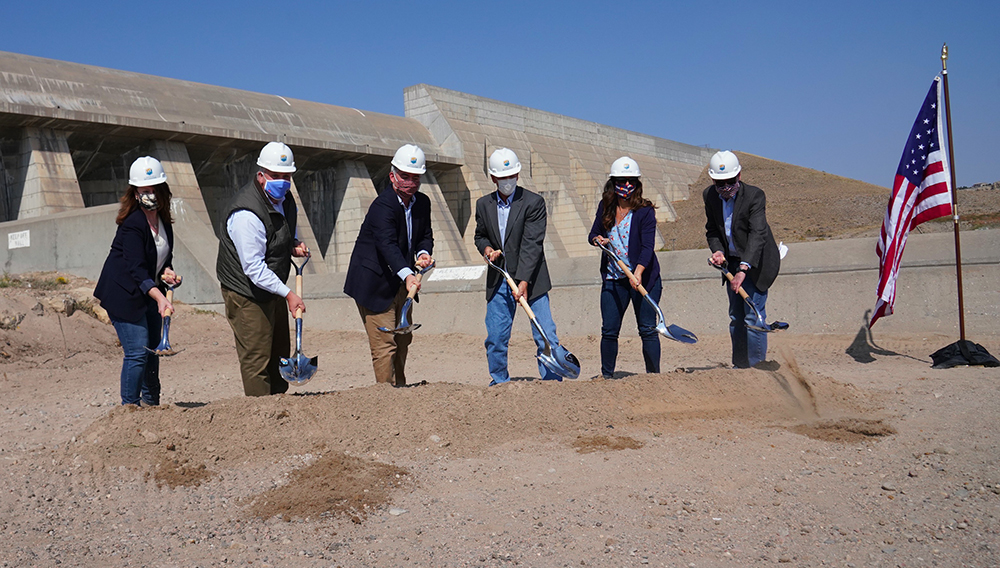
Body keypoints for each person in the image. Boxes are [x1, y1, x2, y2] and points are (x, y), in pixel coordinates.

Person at [216, 142, 309, 396]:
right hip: (246, 291)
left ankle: (279, 403)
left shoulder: (285, 199)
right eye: (275, 176)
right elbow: (254, 269)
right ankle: (260, 415)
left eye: (286, 176)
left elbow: (282, 226)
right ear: (261, 175)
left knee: (279, 352)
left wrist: (293, 242)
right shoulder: (247, 214)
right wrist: (289, 294)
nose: (282, 181)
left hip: (272, 286)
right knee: (256, 358)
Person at [474, 148, 569, 385]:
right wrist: (487, 250)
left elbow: (532, 245)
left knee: (545, 333)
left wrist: (524, 281)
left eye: (512, 175)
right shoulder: (483, 205)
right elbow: (480, 235)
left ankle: (552, 382)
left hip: (532, 280)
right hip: (500, 280)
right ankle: (499, 382)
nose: (508, 181)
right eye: (503, 177)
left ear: (518, 174)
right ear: (494, 178)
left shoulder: (533, 203)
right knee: (496, 336)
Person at [344, 144, 434, 386]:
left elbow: (425, 234)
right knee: (385, 344)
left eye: (415, 178)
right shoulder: (382, 206)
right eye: (405, 176)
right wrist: (407, 275)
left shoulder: (422, 203)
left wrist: (424, 253)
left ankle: (400, 389)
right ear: (392, 175)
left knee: (403, 339)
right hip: (374, 283)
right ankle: (385, 395)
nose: (410, 183)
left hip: (402, 283)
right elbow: (387, 245)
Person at [94, 156, 181, 406]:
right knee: (137, 352)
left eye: (154, 189)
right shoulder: (132, 225)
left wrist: (167, 272)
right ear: (135, 193)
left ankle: (151, 405)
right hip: (123, 294)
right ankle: (129, 411)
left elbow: (163, 257)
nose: (150, 194)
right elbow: (136, 268)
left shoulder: (164, 222)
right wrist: (161, 297)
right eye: (145, 190)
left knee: (153, 351)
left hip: (147, 292)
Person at [703, 150, 780, 368]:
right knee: (736, 316)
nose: (725, 187)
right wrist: (718, 251)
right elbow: (712, 230)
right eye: (719, 183)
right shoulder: (710, 196)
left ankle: (757, 368)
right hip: (732, 261)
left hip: (756, 262)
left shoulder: (755, 196)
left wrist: (743, 268)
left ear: (739, 176)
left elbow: (758, 234)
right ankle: (740, 367)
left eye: (729, 181)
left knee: (753, 316)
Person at [588, 156, 661, 378]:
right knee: (609, 330)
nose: (626, 185)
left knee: (647, 329)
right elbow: (593, 234)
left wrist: (638, 273)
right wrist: (597, 240)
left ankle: (653, 377)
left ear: (637, 184)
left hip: (643, 278)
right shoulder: (606, 207)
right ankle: (607, 376)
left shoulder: (645, 211)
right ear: (613, 182)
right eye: (621, 180)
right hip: (613, 278)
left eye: (630, 180)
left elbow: (648, 247)